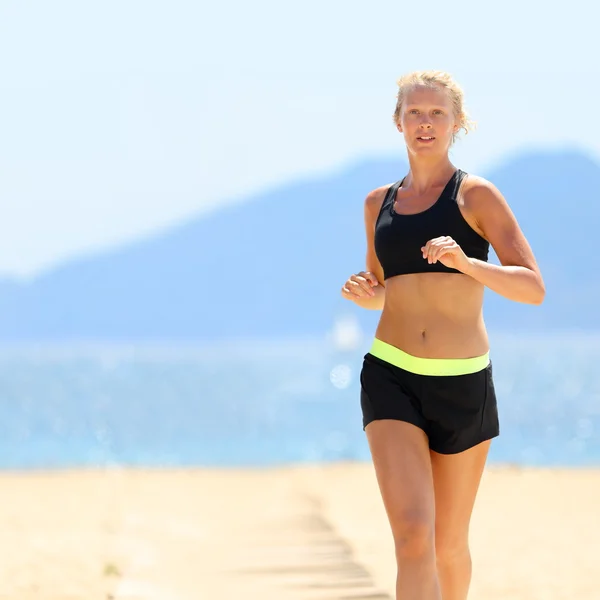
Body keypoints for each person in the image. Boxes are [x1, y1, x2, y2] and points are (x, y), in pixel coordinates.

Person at [340, 70, 545, 600]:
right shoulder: (376, 204)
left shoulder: (476, 196)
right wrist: (370, 293)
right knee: (412, 537)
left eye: (436, 114)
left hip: (462, 382)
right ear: (398, 122)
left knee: (447, 548)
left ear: (456, 124)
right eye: (415, 113)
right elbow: (389, 287)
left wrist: (466, 263)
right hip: (391, 374)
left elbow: (532, 287)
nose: (425, 123)